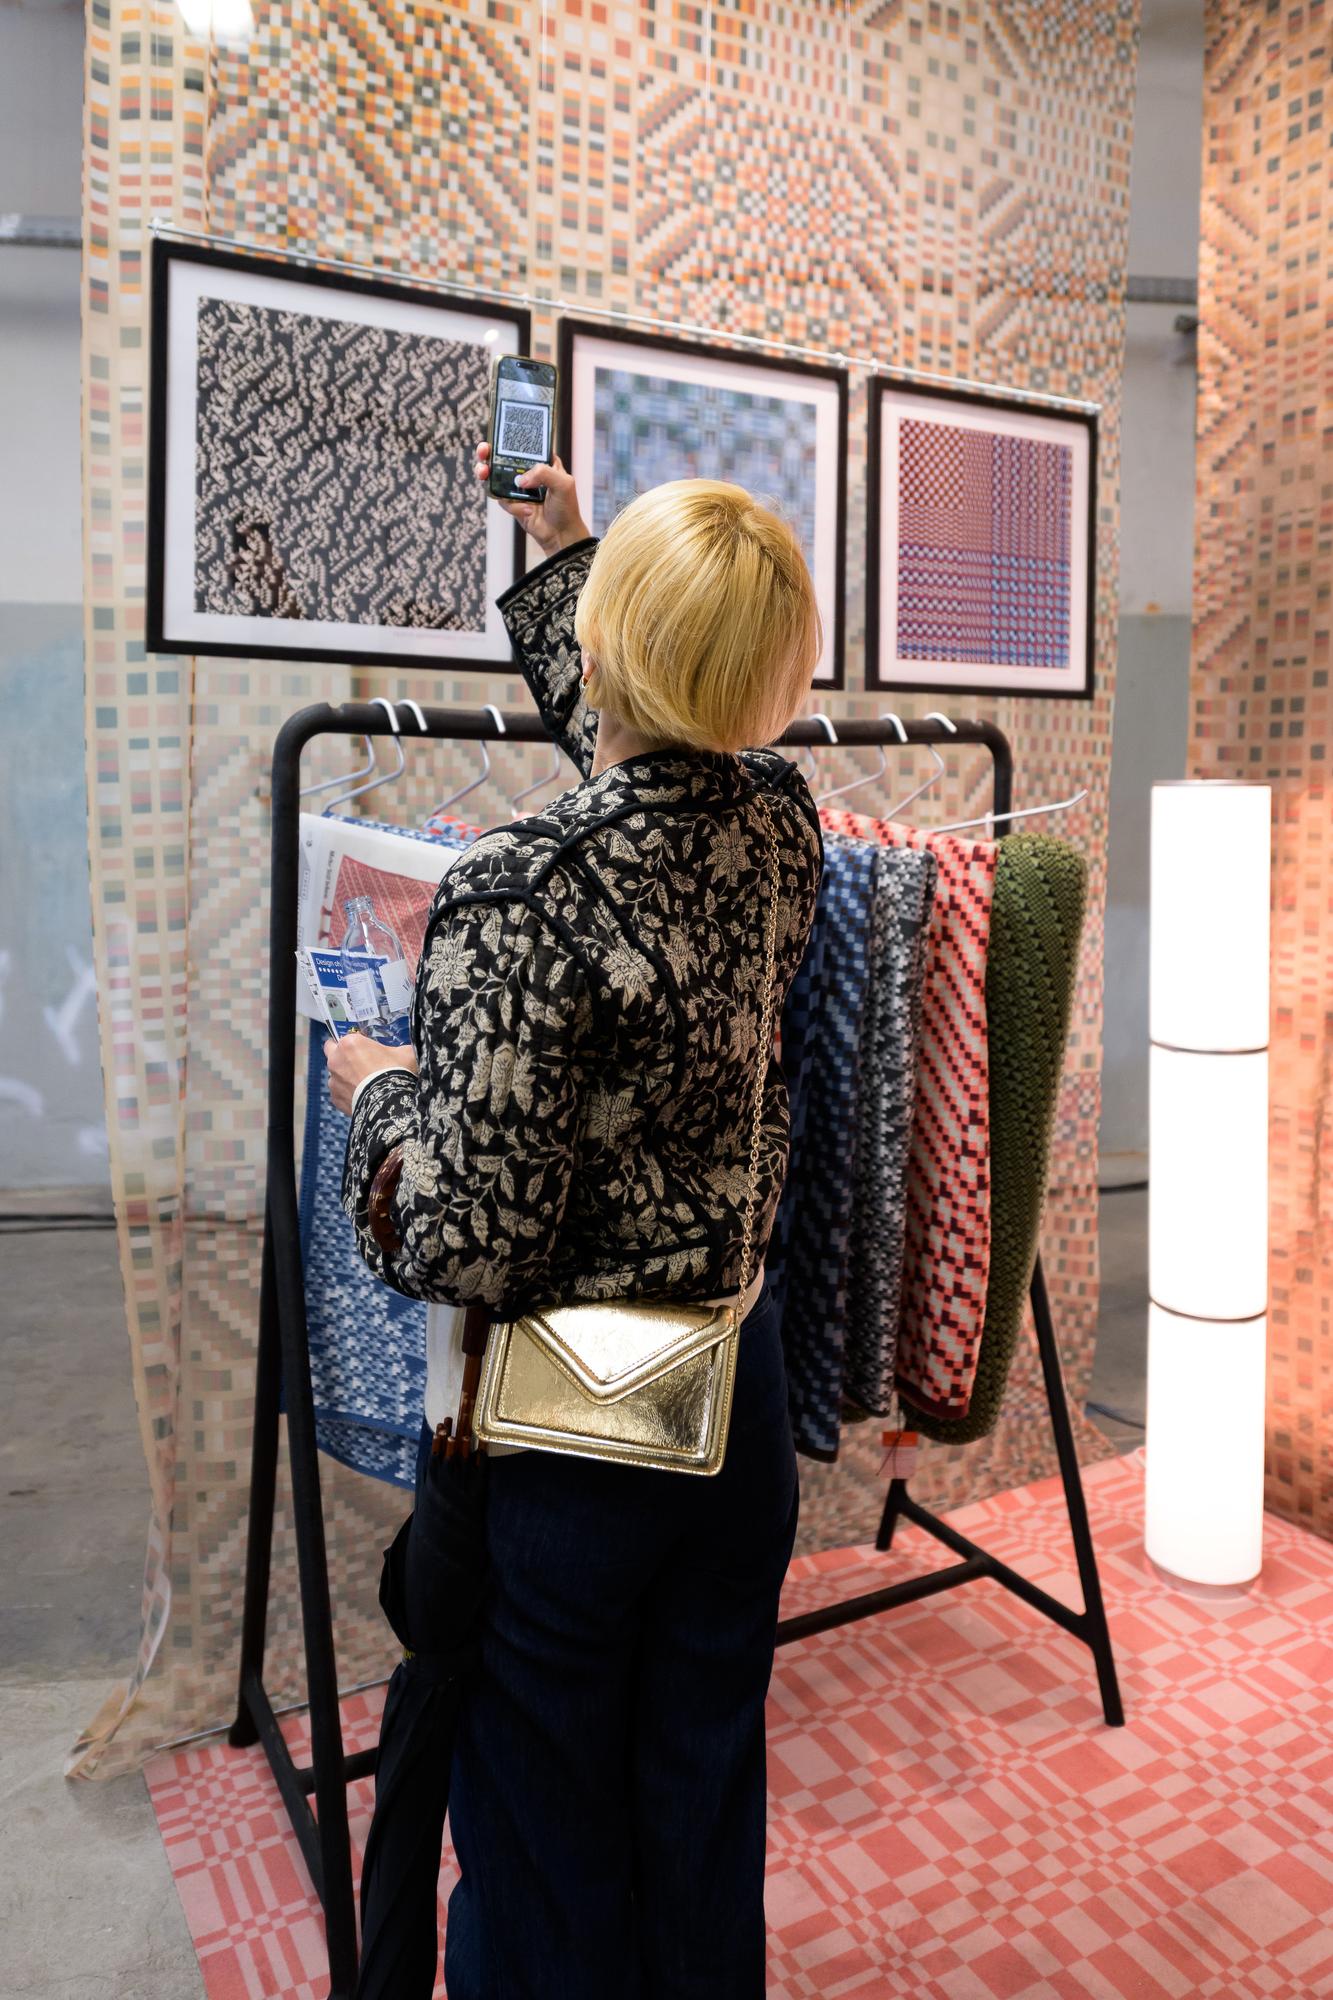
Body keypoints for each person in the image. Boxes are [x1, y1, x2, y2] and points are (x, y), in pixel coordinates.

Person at [326, 449, 823, 1998]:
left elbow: (462, 1239)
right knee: (698, 1779)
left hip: (574, 1431)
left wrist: (380, 1099)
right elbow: (654, 760)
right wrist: (573, 556)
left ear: (606, 652)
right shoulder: (781, 826)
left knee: (541, 1811)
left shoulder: (514, 888)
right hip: (734, 1394)